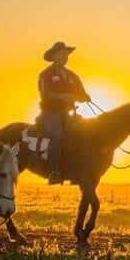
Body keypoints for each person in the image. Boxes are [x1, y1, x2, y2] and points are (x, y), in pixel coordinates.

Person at [39, 41, 90, 185]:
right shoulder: (46, 74)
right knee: (57, 135)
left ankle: (76, 171)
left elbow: (81, 93)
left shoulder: (72, 76)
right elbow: (46, 95)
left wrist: (85, 97)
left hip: (68, 114)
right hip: (50, 113)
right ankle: (53, 171)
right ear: (54, 56)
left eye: (66, 54)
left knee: (84, 135)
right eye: (62, 54)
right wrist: (66, 96)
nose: (65, 57)